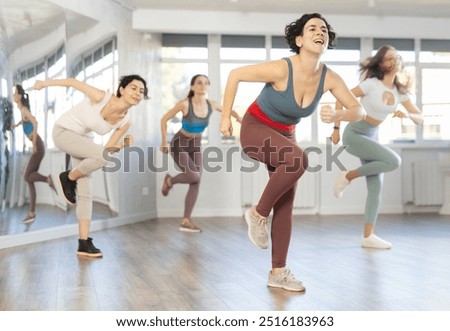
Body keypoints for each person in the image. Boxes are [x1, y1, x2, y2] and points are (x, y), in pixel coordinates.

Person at [220, 13, 366, 292]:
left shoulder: (329, 78)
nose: (320, 32)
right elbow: (235, 75)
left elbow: (360, 111)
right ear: (299, 40)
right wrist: (225, 118)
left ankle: (278, 272)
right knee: (299, 159)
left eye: (324, 29)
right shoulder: (281, 69)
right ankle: (257, 214)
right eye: (312, 28)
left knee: (286, 204)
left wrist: (339, 113)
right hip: (255, 128)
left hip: (286, 133)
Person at [34, 75, 148, 258]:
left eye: (141, 91)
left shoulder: (125, 121)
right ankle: (69, 177)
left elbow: (106, 150)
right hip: (63, 131)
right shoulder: (101, 97)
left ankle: (83, 242)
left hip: (82, 139)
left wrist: (121, 146)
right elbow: (72, 82)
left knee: (86, 191)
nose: (138, 93)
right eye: (134, 88)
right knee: (99, 159)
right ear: (122, 90)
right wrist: (43, 84)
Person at [332, 45, 424, 249]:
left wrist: (408, 115)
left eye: (397, 57)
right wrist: (336, 128)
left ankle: (368, 236)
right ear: (381, 64)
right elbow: (341, 98)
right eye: (390, 58)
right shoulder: (371, 84)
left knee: (376, 187)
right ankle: (348, 176)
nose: (396, 61)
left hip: (372, 136)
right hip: (355, 134)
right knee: (393, 161)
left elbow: (420, 118)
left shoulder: (400, 92)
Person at [160, 74, 242, 233]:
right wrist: (164, 142)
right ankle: (169, 181)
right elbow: (164, 120)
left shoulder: (212, 104)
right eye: (199, 83)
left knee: (196, 181)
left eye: (206, 83)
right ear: (192, 87)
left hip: (196, 145)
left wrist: (238, 118)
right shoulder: (185, 104)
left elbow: (228, 110)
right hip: (179, 144)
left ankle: (185, 220)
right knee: (194, 176)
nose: (203, 85)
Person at [11, 84, 56, 224]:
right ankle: (31, 213)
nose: (13, 95)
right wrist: (17, 125)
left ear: (19, 96)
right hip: (38, 145)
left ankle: (48, 179)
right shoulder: (22, 110)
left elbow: (35, 123)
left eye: (14, 93)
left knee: (26, 176)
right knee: (30, 179)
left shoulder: (24, 109)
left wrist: (33, 144)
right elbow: (25, 121)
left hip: (38, 146)